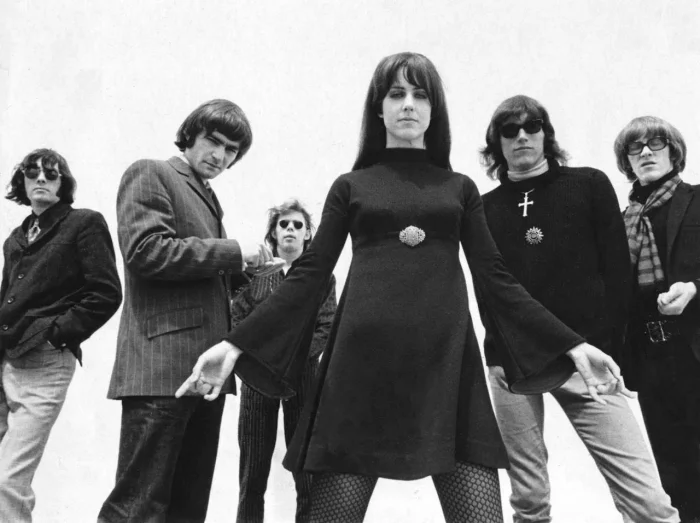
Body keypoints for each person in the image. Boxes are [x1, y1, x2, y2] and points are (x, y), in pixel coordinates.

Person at [177, 53, 629, 523]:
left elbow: (498, 281)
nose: (408, 104)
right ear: (379, 108)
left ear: (435, 110)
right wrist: (235, 344)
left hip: (448, 371)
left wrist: (571, 344)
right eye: (396, 94)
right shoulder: (351, 186)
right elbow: (308, 275)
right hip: (358, 374)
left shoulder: (460, 189)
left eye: (420, 95)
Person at [477, 96, 678, 523]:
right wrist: (497, 357)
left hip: (589, 360)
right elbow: (490, 294)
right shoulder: (485, 208)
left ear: (546, 133)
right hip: (515, 364)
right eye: (509, 130)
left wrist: (610, 350)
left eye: (532, 126)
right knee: (530, 501)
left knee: (649, 504)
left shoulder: (588, 184)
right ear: (497, 144)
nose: (522, 136)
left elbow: (618, 275)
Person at [98, 99, 277, 523]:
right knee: (137, 508)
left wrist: (248, 272)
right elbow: (146, 251)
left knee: (188, 510)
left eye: (231, 150)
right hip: (161, 370)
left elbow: (201, 276)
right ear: (190, 134)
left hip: (206, 374)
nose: (220, 155)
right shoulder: (151, 172)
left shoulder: (209, 197)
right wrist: (234, 251)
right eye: (213, 141)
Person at [0, 149, 122, 522]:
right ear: (22, 181)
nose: (41, 178)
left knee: (7, 480)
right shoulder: (15, 238)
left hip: (45, 363)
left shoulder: (83, 223)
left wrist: (55, 334)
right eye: (32, 172)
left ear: (62, 183)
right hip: (5, 361)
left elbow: (105, 294)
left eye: (51, 174)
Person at [614, 116, 700, 523]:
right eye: (636, 147)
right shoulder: (621, 221)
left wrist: (695, 288)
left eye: (656, 143)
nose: (646, 152)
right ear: (627, 160)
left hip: (694, 348)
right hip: (650, 358)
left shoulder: (697, 200)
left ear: (674, 151)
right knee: (672, 469)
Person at [234, 199, 337, 523]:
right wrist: (263, 362)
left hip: (303, 380)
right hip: (257, 380)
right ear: (274, 233)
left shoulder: (321, 277)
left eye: (297, 225)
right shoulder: (254, 275)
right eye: (284, 224)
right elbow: (237, 321)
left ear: (307, 234)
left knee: (306, 473)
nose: (290, 229)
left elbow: (326, 327)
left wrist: (291, 360)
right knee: (252, 473)